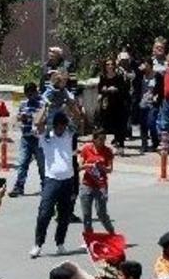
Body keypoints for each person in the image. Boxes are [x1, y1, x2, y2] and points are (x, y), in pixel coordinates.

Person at [30, 111, 77, 258]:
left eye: (63, 126)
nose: (61, 129)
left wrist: (68, 102)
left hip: (68, 180)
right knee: (44, 213)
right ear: (54, 126)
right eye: (59, 127)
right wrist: (45, 107)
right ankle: (38, 244)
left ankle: (60, 243)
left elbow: (77, 117)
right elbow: (38, 123)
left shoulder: (68, 135)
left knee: (64, 215)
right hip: (52, 181)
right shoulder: (46, 138)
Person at [10, 82, 47, 197]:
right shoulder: (23, 103)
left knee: (42, 165)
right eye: (27, 94)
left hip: (38, 138)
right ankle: (18, 187)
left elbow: (44, 118)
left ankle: (46, 187)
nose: (29, 96)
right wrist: (21, 117)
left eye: (31, 93)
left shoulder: (42, 103)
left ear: (36, 91)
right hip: (26, 137)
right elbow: (18, 117)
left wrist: (30, 117)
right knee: (22, 163)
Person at [78, 130, 115, 234]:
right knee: (86, 214)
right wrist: (87, 166)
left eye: (104, 139)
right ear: (94, 140)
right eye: (100, 139)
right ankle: (89, 236)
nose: (102, 141)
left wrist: (101, 167)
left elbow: (110, 169)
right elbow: (79, 167)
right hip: (87, 184)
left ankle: (111, 232)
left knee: (101, 213)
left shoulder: (107, 151)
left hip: (101, 185)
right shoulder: (86, 149)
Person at [97, 58, 130, 151]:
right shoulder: (103, 76)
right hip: (107, 103)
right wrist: (102, 90)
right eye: (108, 64)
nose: (110, 66)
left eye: (111, 64)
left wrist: (115, 89)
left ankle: (121, 145)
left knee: (119, 124)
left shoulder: (119, 76)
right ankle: (103, 144)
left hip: (118, 103)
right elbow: (100, 88)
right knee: (105, 125)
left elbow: (124, 89)